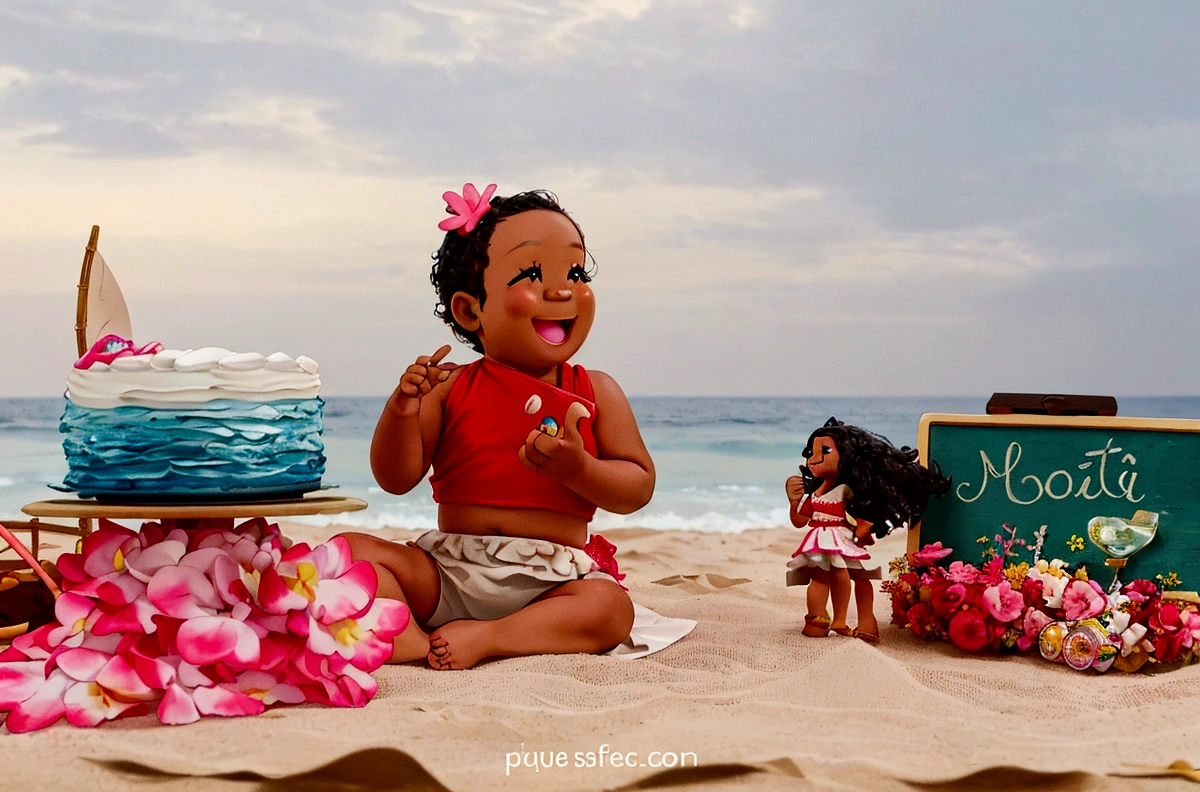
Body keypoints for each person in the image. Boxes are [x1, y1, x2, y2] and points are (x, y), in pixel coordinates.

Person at [340, 185, 664, 670]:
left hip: (552, 581)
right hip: (449, 571)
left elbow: (636, 488)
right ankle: (405, 635)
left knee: (611, 610)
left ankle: (494, 637)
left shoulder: (597, 391)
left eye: (575, 273)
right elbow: (396, 477)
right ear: (471, 310)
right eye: (532, 274)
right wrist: (403, 410)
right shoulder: (449, 388)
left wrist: (579, 470)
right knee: (347, 552)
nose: (560, 291)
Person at [785, 418, 950, 643]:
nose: (813, 460)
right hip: (819, 541)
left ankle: (863, 622)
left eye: (824, 451)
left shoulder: (846, 489)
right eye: (811, 452)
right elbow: (799, 520)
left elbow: (861, 512)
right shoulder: (814, 493)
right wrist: (794, 502)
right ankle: (817, 619)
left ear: (847, 456)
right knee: (820, 578)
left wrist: (864, 527)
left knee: (857, 577)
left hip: (841, 539)